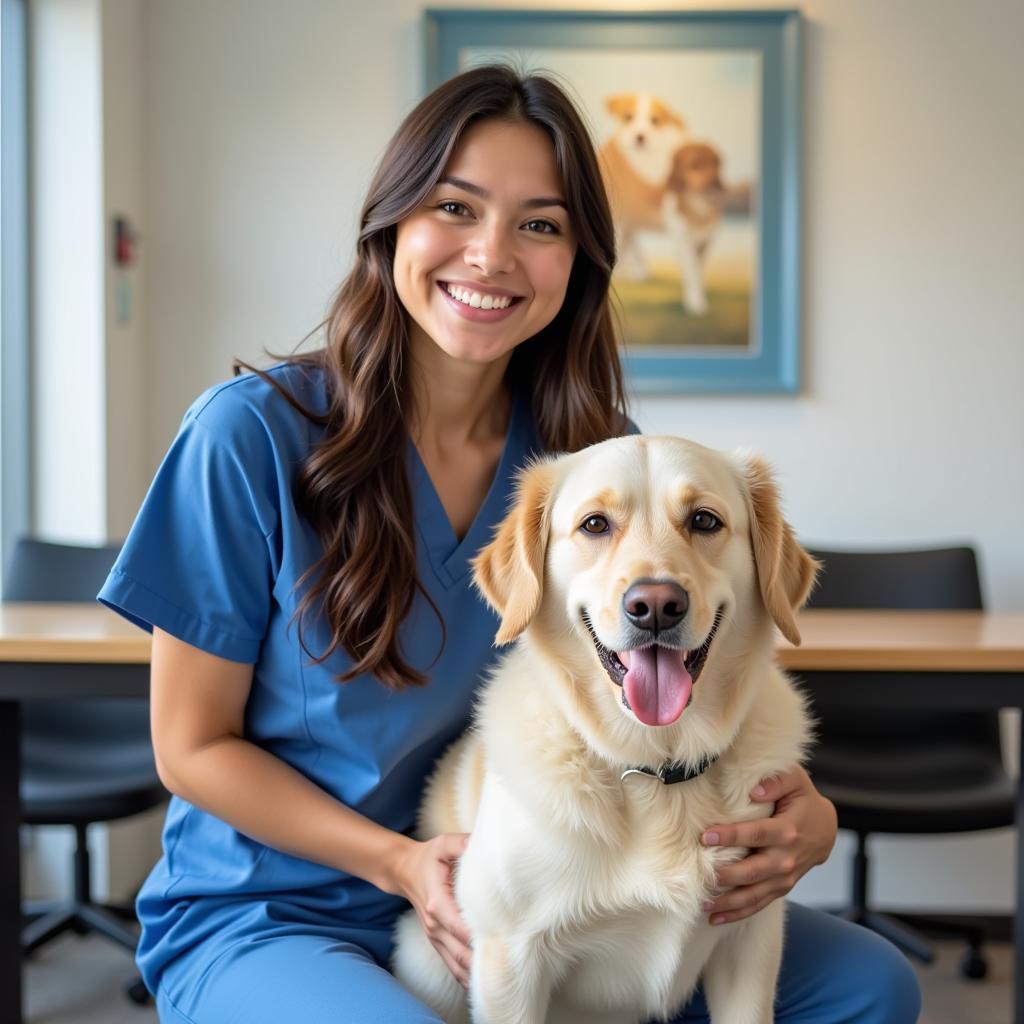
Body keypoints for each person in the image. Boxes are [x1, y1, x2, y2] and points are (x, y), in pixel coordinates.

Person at [99, 65, 920, 1024]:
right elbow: (190, 747)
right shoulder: (246, 437)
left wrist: (801, 819)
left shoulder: (585, 462)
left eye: (539, 224)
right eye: (455, 207)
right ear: (392, 224)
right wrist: (400, 864)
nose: (490, 256)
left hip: (542, 886)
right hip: (280, 909)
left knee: (868, 988)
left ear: (577, 260)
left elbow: (659, 713)